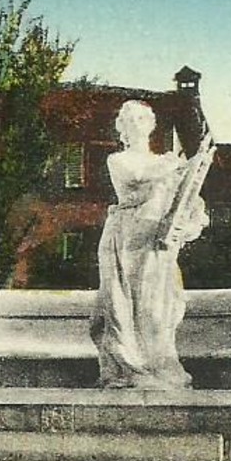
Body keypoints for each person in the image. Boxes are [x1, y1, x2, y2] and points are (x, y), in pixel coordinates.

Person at [90, 100, 211, 389]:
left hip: (157, 244)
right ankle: (131, 369)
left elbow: (191, 206)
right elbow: (138, 177)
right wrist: (174, 166)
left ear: (150, 126)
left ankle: (160, 366)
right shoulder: (120, 160)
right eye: (130, 122)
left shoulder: (166, 163)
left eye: (142, 121)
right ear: (123, 129)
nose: (136, 127)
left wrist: (189, 221)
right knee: (127, 310)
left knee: (160, 310)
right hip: (127, 243)